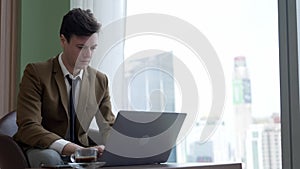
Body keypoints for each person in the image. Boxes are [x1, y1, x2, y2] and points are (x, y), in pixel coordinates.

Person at [13, 8, 115, 167]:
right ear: (63, 40)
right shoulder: (36, 73)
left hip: (82, 148)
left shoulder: (100, 81)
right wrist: (73, 149)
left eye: (92, 48)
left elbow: (108, 126)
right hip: (43, 147)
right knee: (51, 159)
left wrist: (126, 147)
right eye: (81, 47)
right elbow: (29, 127)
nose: (87, 55)